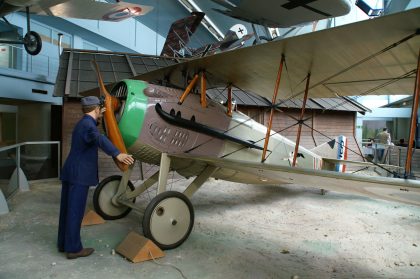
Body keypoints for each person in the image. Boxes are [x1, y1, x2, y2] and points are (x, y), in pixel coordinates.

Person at [57, 96, 134, 260]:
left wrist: (102, 115)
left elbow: (92, 131)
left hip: (70, 172)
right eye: (100, 109)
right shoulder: (88, 126)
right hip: (79, 175)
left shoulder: (84, 123)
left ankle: (64, 243)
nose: (101, 111)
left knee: (67, 210)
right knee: (75, 212)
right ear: (96, 109)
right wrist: (117, 154)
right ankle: (74, 249)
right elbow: (99, 138)